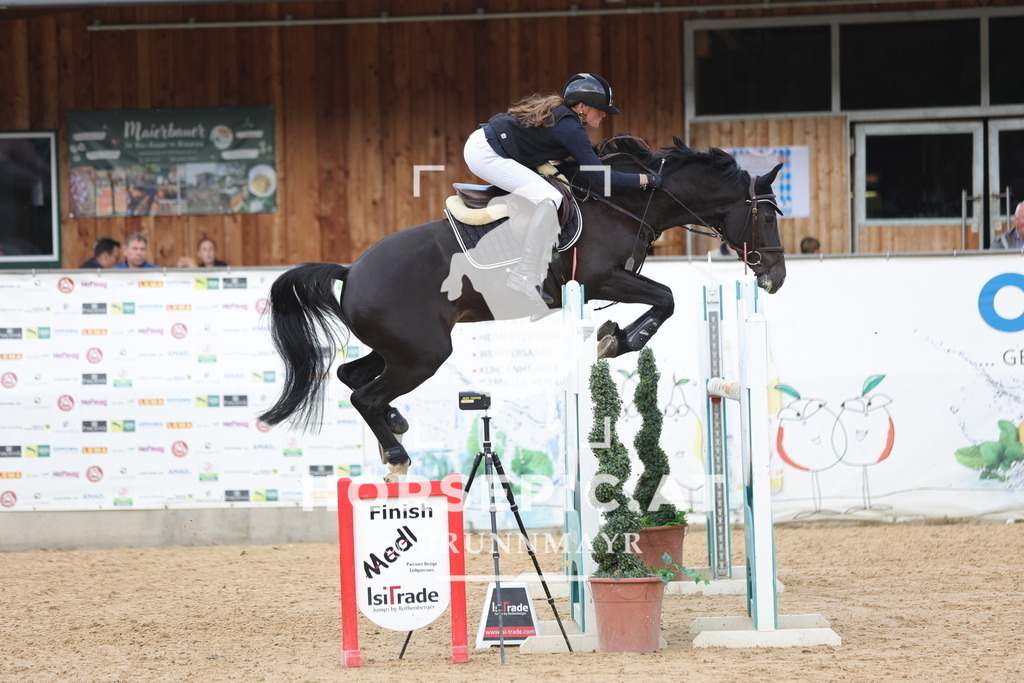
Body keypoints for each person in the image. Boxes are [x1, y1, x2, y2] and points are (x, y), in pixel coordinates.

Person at [464, 72, 660, 304]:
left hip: (486, 145)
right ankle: (524, 274)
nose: (605, 114)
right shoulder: (570, 127)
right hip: (486, 153)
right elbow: (599, 177)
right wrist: (644, 180)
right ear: (582, 107)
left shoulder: (567, 120)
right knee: (550, 197)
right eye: (601, 109)